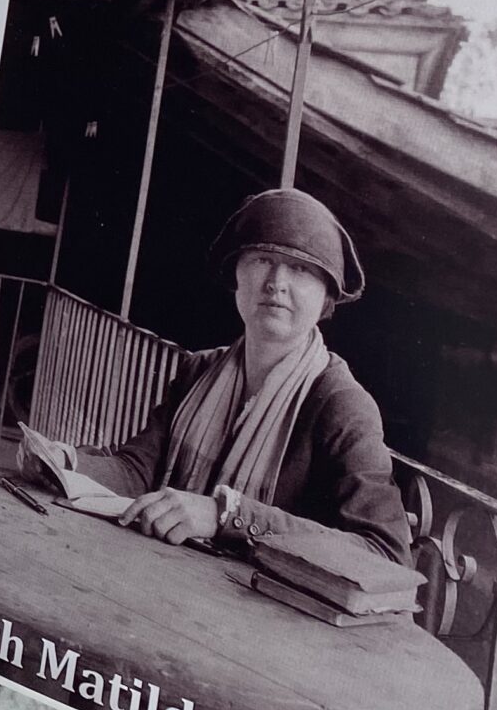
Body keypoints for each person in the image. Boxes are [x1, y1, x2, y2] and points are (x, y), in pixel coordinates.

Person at [23, 187, 412, 561]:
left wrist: (226, 515)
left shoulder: (342, 405)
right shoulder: (200, 370)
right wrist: (66, 462)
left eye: (300, 269)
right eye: (261, 260)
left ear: (326, 296)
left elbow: (384, 552)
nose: (276, 283)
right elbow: (140, 469)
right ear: (236, 276)